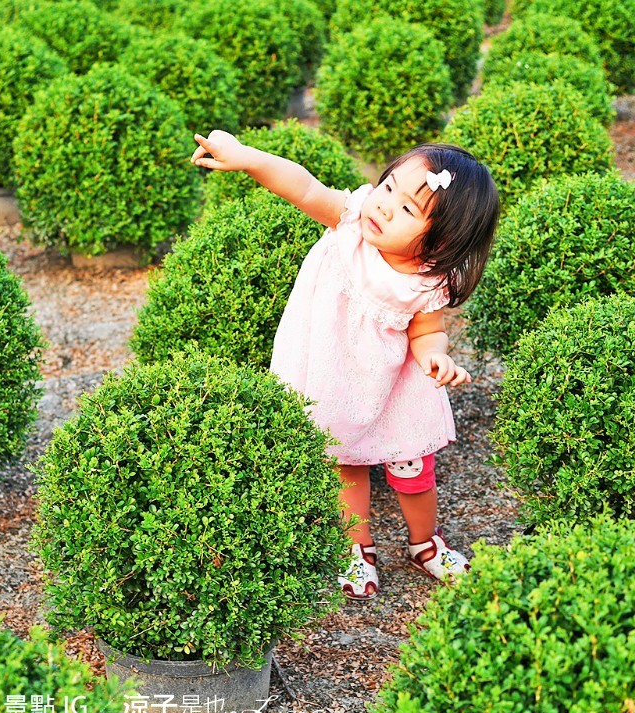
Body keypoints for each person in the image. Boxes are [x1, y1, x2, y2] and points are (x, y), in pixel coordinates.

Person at [190, 130, 499, 599]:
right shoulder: (350, 220)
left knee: (412, 466)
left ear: (441, 242)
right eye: (389, 187)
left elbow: (426, 331)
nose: (385, 205)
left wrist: (436, 357)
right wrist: (247, 158)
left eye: (409, 209)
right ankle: (358, 547)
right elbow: (303, 186)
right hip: (334, 373)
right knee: (344, 463)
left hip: (395, 387)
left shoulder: (427, 281)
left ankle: (425, 544)